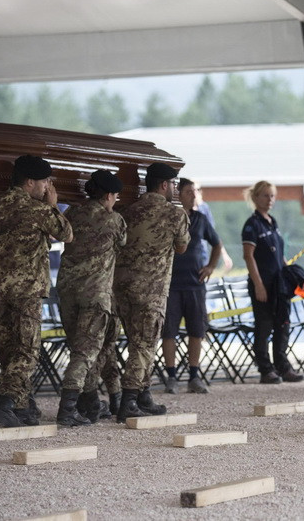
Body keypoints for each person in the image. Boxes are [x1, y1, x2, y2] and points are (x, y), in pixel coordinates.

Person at [0, 155, 73, 427]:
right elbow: (66, 233)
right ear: (30, 182)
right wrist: (52, 206)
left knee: (9, 350)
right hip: (27, 292)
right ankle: (4, 403)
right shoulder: (37, 210)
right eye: (44, 181)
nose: (47, 187)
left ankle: (21, 407)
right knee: (27, 352)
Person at [114, 162, 190, 422]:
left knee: (137, 342)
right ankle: (129, 400)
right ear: (164, 185)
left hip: (122, 288)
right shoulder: (175, 214)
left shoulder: (127, 210)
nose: (176, 190)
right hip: (151, 291)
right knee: (144, 345)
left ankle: (143, 394)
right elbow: (181, 247)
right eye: (174, 185)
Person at [55, 170, 126, 426]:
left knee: (81, 349)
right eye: (115, 197)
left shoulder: (72, 214)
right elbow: (122, 244)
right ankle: (67, 409)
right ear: (108, 195)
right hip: (95, 295)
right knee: (85, 354)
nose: (115, 201)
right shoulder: (114, 220)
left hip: (67, 291)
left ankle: (90, 402)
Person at [161, 177, 223, 395]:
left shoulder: (201, 219)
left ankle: (194, 375)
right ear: (178, 194)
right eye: (188, 191)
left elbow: (217, 244)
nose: (193, 195)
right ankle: (171, 376)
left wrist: (211, 267)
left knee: (196, 330)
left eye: (195, 191)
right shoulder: (169, 217)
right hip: (171, 284)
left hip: (195, 283)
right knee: (169, 331)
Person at [242, 180, 304, 384]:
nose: (269, 200)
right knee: (264, 325)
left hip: (279, 284)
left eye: (272, 196)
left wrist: (289, 273)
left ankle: (282, 365)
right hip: (263, 283)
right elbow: (248, 256)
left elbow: (280, 254)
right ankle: (265, 368)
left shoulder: (273, 222)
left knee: (282, 324)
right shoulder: (252, 225)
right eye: (265, 195)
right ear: (255, 198)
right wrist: (258, 285)